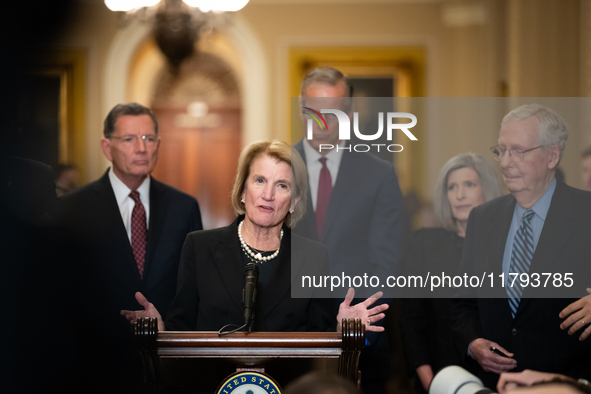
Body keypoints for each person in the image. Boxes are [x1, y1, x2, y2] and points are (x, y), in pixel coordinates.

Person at [122, 140, 388, 334]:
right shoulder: (199, 246)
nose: (268, 194)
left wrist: (341, 329)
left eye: (281, 185)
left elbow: (318, 338)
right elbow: (182, 330)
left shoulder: (313, 256)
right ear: (242, 190)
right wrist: (161, 330)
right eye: (259, 181)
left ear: (294, 200)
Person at [60, 102, 203, 391]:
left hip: (169, 368)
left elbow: (196, 289)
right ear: (106, 146)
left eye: (149, 139)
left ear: (158, 145)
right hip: (95, 368)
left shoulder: (184, 207)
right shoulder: (72, 209)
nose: (141, 148)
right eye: (129, 139)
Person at [452, 104, 591, 389]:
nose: (505, 162)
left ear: (552, 155)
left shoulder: (585, 213)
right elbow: (463, 302)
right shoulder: (482, 218)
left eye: (518, 151)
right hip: (495, 384)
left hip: (568, 384)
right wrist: (473, 343)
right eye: (501, 150)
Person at [292, 67, 403, 394]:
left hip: (359, 342)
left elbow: (386, 265)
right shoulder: (278, 167)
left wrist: (358, 325)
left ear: (350, 113)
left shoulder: (379, 174)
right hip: (289, 338)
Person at [400, 153, 501, 393]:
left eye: (469, 185)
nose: (459, 194)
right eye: (451, 187)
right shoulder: (424, 243)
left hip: (495, 380)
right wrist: (433, 384)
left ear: (486, 190)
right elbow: (410, 321)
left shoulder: (506, 246)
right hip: (437, 379)